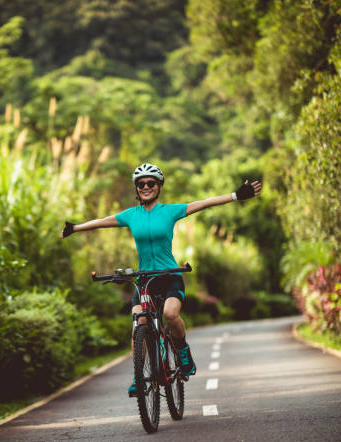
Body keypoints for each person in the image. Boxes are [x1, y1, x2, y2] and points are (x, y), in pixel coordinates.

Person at [61, 163, 262, 397]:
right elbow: (102, 221)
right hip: (145, 278)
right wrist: (75, 228)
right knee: (139, 323)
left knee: (170, 314)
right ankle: (139, 377)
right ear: (136, 189)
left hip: (169, 276)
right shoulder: (131, 215)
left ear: (159, 186)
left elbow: (204, 203)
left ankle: (183, 351)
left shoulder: (170, 211)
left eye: (151, 183)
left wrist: (236, 195)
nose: (146, 187)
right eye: (141, 184)